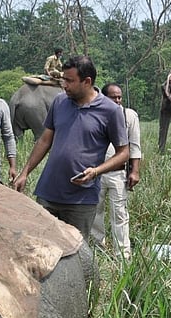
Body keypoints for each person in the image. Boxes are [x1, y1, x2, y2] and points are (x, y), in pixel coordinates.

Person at [13, 56, 128, 238]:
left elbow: (123, 153)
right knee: (40, 245)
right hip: (48, 192)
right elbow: (44, 141)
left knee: (75, 249)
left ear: (87, 81)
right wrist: (25, 173)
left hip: (81, 199)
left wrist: (96, 171)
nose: (64, 85)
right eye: (64, 79)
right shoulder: (59, 102)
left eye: (69, 81)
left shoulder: (110, 111)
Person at [90, 83, 141, 259]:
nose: (118, 100)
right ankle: (97, 247)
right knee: (95, 211)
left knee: (119, 214)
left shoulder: (129, 115)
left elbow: (135, 145)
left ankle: (122, 254)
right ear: (104, 98)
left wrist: (135, 171)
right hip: (96, 173)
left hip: (118, 173)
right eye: (113, 97)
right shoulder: (95, 114)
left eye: (119, 97)